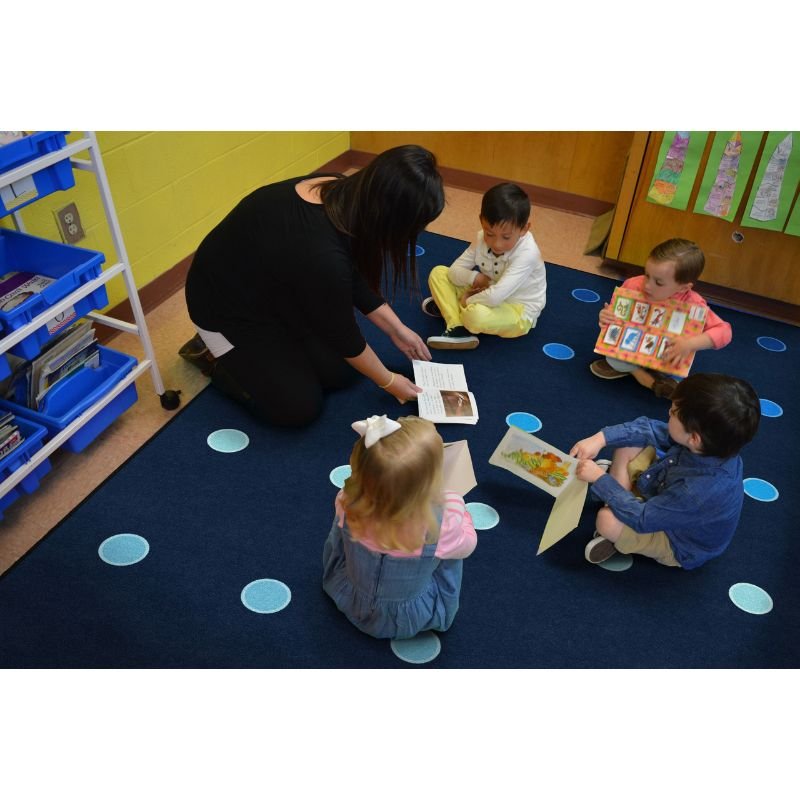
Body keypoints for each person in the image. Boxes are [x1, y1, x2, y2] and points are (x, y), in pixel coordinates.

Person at [180, 145, 445, 427]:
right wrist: (389, 382)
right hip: (225, 311)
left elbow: (350, 274)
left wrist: (396, 329)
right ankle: (212, 355)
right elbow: (343, 332)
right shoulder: (320, 253)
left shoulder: (342, 192)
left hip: (278, 289)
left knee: (343, 373)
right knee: (297, 408)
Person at [569, 373, 760, 570]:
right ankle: (618, 498)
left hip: (677, 540)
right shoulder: (712, 445)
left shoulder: (696, 492)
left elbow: (643, 519)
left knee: (606, 521)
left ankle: (616, 523)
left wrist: (600, 480)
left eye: (674, 411)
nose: (669, 412)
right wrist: (600, 438)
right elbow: (649, 429)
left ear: (694, 438)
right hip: (666, 496)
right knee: (629, 443)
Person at [322, 414, 477, 639]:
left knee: (340, 529)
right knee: (451, 551)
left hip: (349, 597)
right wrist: (457, 504)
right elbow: (468, 544)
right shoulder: (442, 523)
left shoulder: (347, 500)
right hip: (407, 618)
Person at [590, 238, 731, 399]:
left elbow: (725, 332)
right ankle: (641, 375)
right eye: (647, 275)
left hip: (665, 356)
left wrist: (690, 344)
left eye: (658, 282)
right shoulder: (633, 285)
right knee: (613, 358)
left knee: (675, 369)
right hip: (631, 346)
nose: (647, 285)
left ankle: (645, 374)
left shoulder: (694, 304)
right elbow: (615, 316)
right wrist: (605, 317)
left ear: (683, 287)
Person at [422, 182, 546, 350]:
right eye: (490, 234)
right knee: (439, 273)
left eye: (506, 237)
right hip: (488, 291)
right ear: (481, 221)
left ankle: (452, 308)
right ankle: (457, 326)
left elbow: (495, 297)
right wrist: (475, 277)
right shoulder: (481, 238)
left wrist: (467, 300)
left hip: (518, 310)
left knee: (475, 317)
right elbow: (453, 272)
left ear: (524, 229)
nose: (497, 244)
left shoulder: (528, 253)